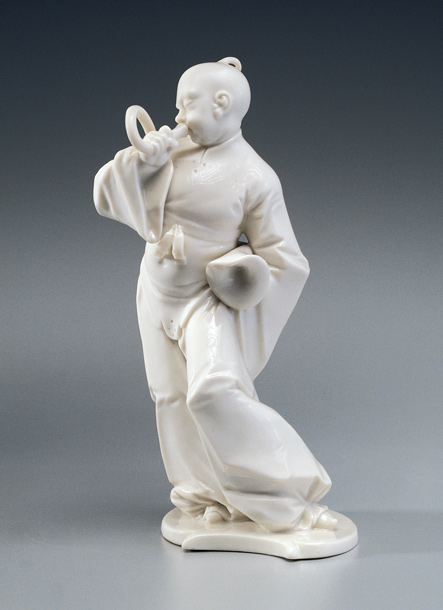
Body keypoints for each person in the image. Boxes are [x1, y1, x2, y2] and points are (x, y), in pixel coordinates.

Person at [94, 57, 336, 533]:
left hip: (205, 300)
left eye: (187, 105)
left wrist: (244, 275)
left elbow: (286, 259)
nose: (177, 116)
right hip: (155, 292)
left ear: (222, 104)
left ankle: (288, 496)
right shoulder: (170, 148)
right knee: (170, 397)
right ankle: (205, 496)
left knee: (214, 391)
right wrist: (144, 164)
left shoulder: (256, 177)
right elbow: (105, 196)